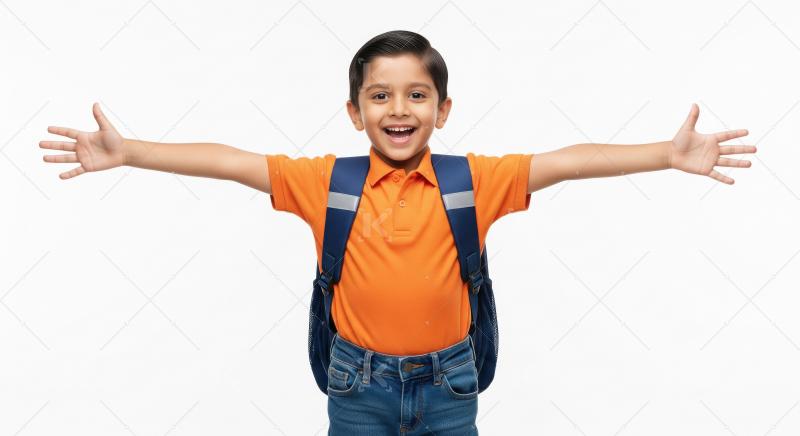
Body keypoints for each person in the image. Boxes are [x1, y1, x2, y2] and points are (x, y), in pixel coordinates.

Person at [39, 29, 756, 436]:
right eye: (380, 96)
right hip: (357, 386)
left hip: (451, 383)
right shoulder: (328, 182)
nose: (399, 108)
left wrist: (665, 155)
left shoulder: (474, 178)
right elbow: (232, 162)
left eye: (417, 95)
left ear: (443, 109)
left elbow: (564, 163)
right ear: (355, 112)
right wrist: (130, 152)